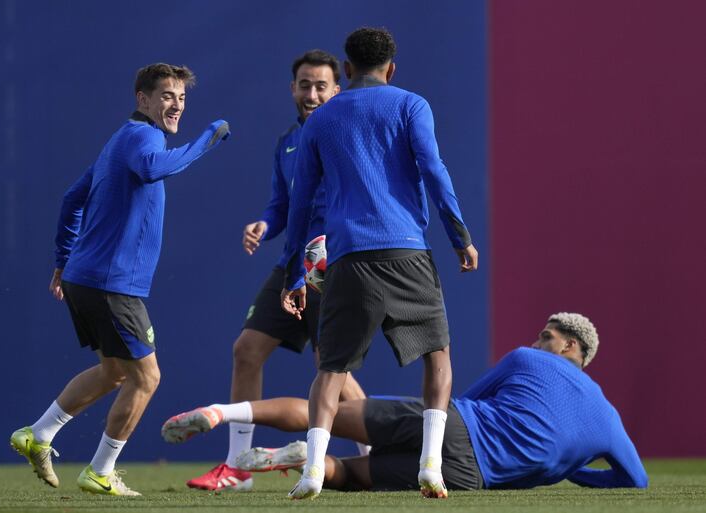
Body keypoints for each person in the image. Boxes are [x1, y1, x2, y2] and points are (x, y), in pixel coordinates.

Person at [9, 63, 230, 496]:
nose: (176, 105)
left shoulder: (119, 140)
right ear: (142, 99)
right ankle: (100, 470)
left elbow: (73, 199)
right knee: (146, 378)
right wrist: (208, 137)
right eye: (167, 95)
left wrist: (63, 260)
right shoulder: (142, 137)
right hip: (112, 284)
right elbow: (152, 169)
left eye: (182, 98)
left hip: (85, 278)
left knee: (113, 371)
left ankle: (39, 432)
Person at [279, 27, 478, 499]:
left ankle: (311, 471)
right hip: (407, 250)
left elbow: (301, 203)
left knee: (331, 368)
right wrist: (460, 236)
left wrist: (294, 275)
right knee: (438, 356)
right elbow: (434, 171)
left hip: (348, 259)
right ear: (391, 68)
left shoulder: (320, 120)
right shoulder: (412, 104)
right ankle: (431, 464)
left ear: (345, 71)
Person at [165, 49, 367, 493]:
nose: (312, 94)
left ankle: (377, 455)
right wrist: (264, 223)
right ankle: (238, 467)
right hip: (293, 262)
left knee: (332, 369)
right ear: (292, 89)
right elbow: (282, 206)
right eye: (304, 85)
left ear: (337, 89)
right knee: (247, 350)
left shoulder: (348, 139)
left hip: (330, 265)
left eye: (321, 86)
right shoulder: (288, 142)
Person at [164, 313, 649, 493]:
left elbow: (459, 401)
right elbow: (636, 480)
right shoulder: (608, 420)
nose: (539, 340)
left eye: (549, 336)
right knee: (351, 477)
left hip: (457, 427)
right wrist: (571, 469)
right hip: (469, 479)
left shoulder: (527, 358)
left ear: (571, 348)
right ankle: (293, 460)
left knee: (328, 415)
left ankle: (219, 413)